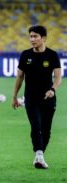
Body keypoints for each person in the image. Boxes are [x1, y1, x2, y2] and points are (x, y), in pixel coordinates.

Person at [12, 25, 61, 169]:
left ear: (43, 38)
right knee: (36, 126)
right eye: (30, 36)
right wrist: (14, 96)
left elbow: (58, 77)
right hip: (31, 98)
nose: (32, 39)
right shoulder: (25, 55)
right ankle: (39, 154)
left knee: (46, 130)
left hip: (48, 98)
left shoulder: (52, 55)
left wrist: (53, 89)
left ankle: (39, 156)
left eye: (35, 36)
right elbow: (20, 77)